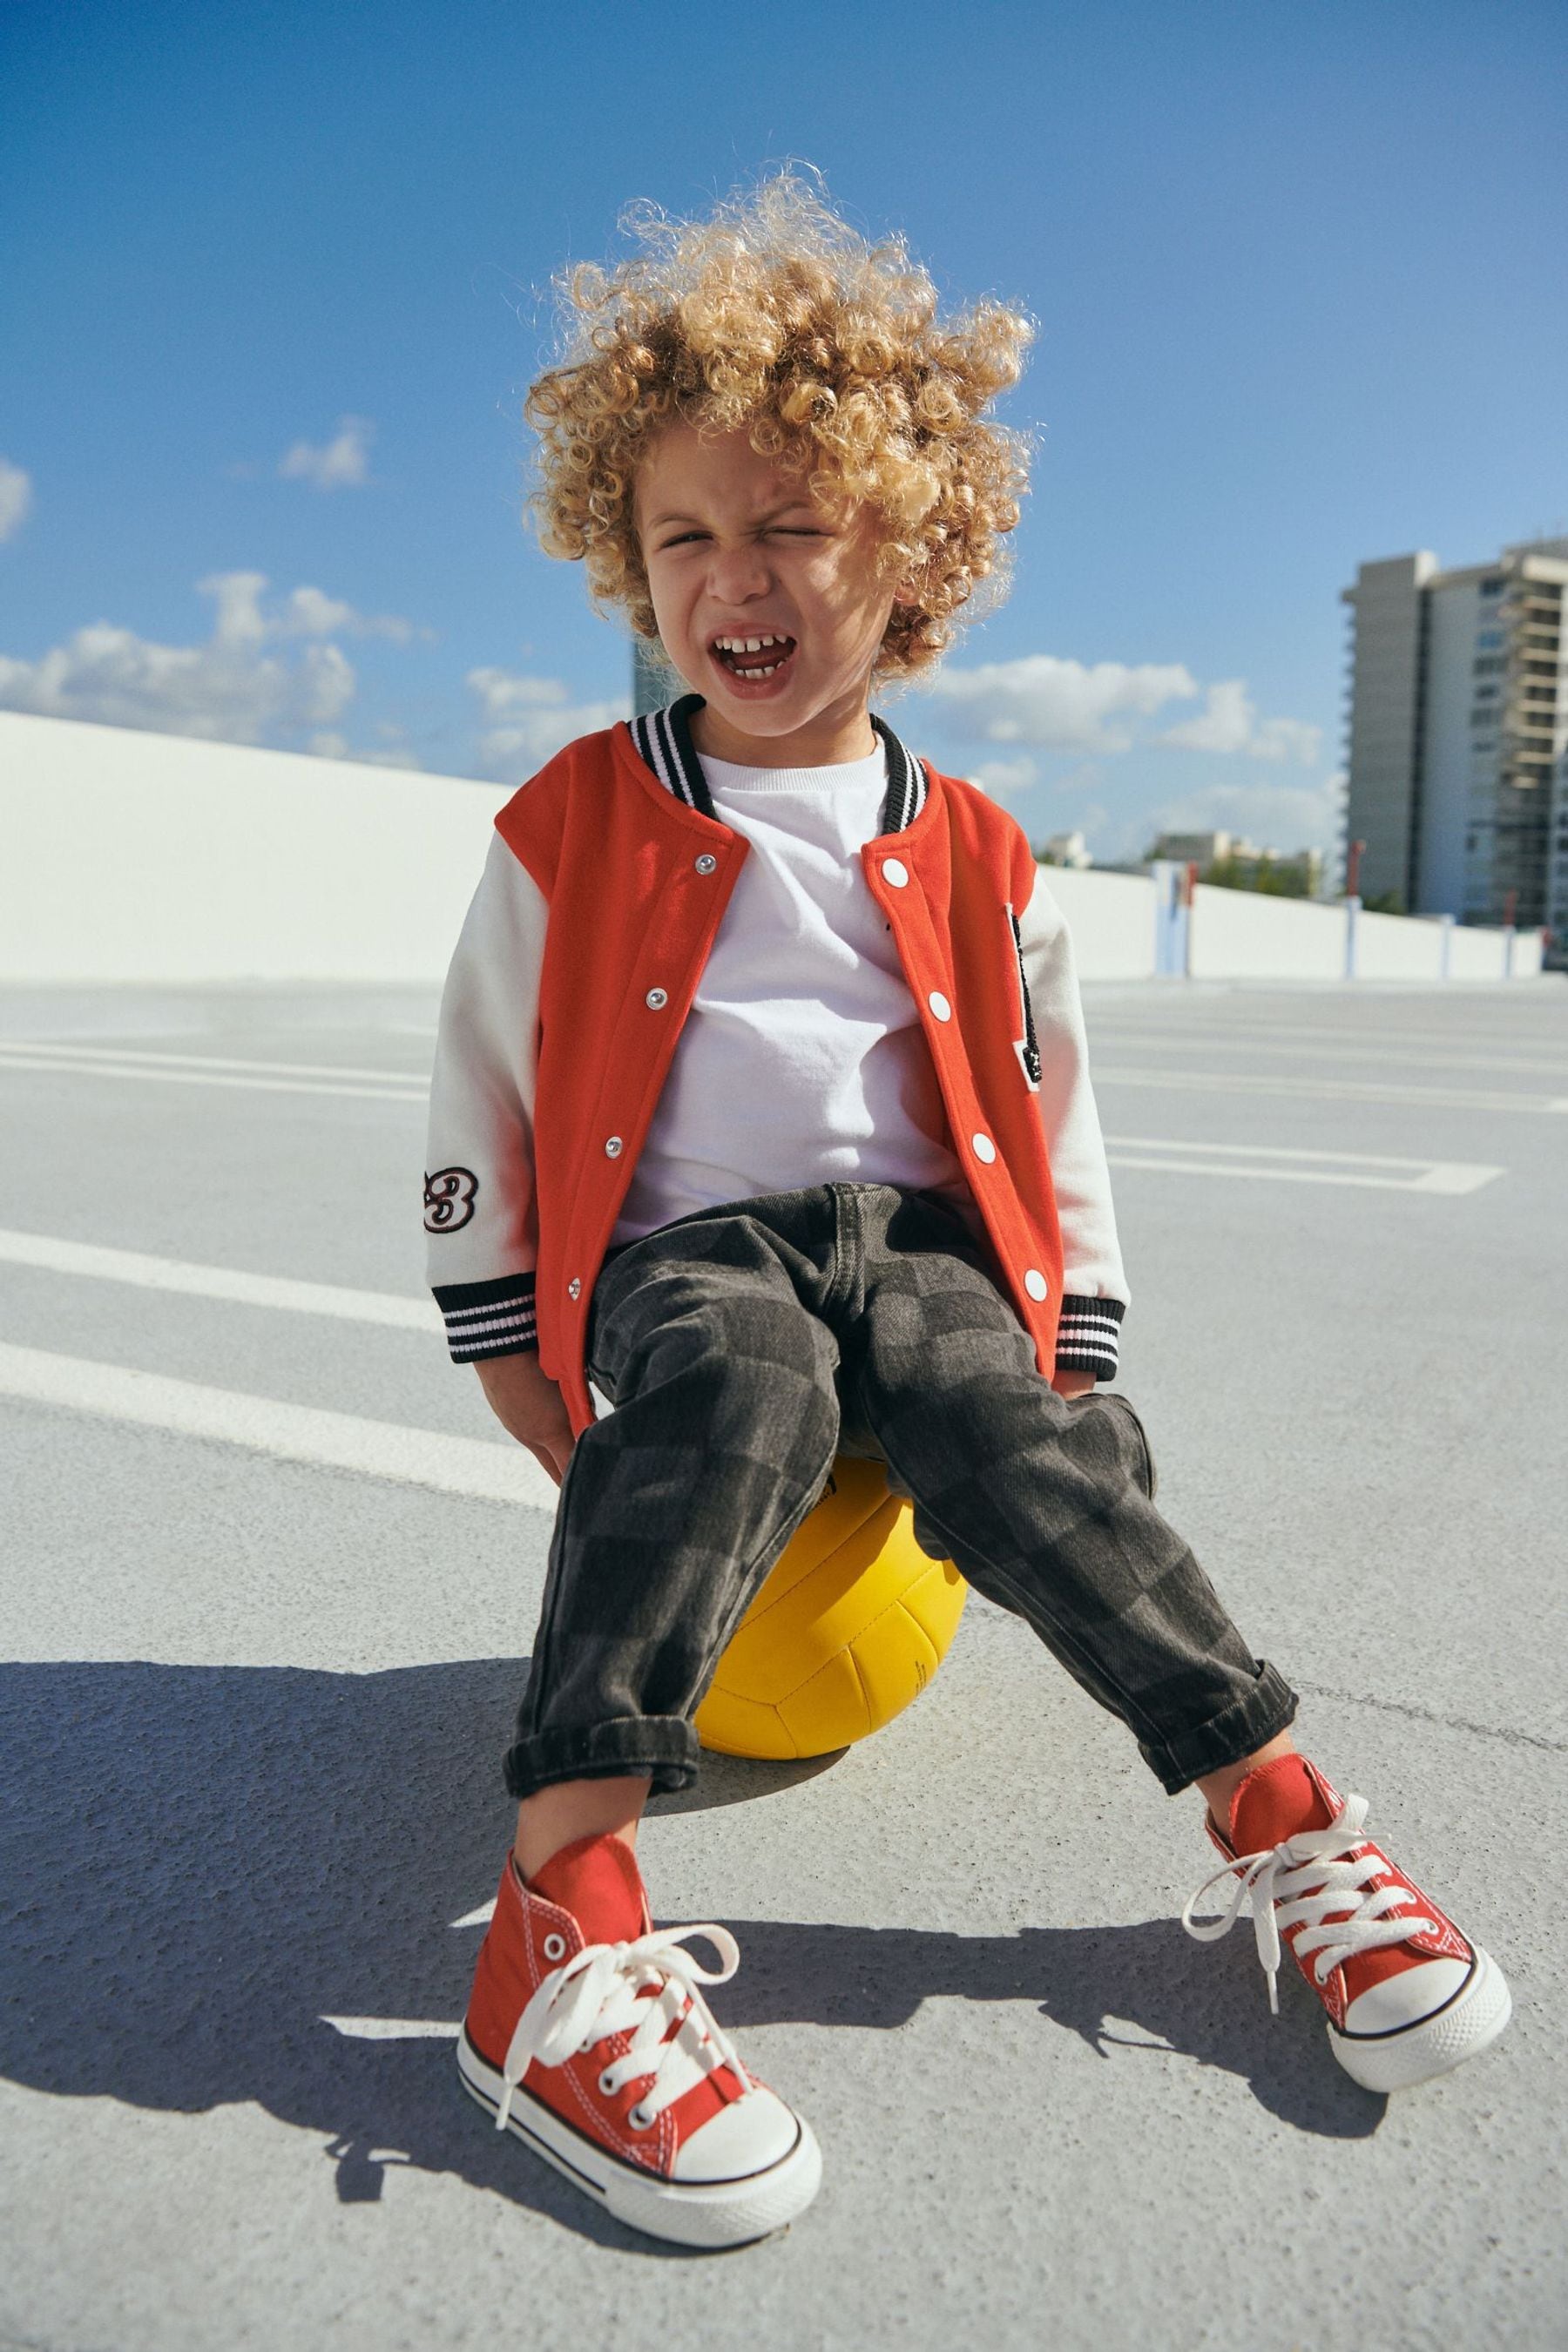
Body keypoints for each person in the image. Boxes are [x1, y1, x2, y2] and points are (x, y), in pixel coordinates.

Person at [422, 175, 1510, 2249]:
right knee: (730, 1397)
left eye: (790, 526)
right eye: (685, 537)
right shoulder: (573, 811)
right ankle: (555, 1927)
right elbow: (473, 1065)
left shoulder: (986, 846)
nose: (734, 579)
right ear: (624, 560)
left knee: (1030, 1436)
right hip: (690, 1255)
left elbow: (1052, 1097)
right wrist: (494, 1323)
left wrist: (1071, 1317)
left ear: (912, 551)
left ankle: (1281, 1819)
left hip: (919, 1246)